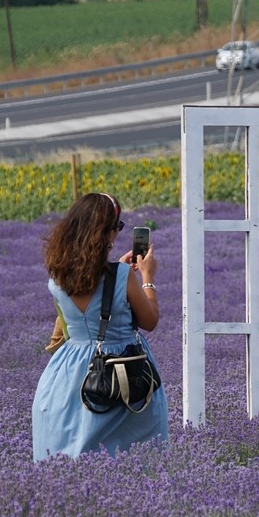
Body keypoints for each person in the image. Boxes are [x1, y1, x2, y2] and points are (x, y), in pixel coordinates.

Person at [32, 193, 168, 461]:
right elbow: (150, 321)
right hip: (121, 372)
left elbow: (86, 300)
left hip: (67, 375)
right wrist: (148, 277)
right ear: (104, 233)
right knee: (133, 462)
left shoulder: (56, 278)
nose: (118, 234)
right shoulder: (123, 275)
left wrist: (116, 270)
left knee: (66, 456)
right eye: (117, 228)